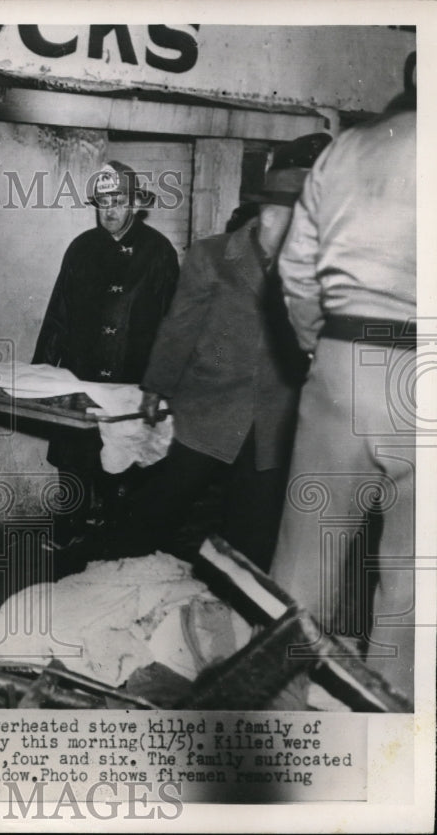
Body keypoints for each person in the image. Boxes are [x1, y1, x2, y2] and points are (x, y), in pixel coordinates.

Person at [124, 133, 332, 571]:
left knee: (252, 535)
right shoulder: (212, 255)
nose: (292, 229)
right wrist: (156, 386)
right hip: (207, 407)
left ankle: (233, 616)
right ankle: (117, 581)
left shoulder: (320, 268)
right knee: (157, 510)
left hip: (275, 422)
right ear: (263, 212)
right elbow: (180, 326)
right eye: (283, 215)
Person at [269, 101, 416, 702]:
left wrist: (319, 350)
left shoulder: (348, 148)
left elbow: (295, 270)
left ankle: (270, 720)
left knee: (304, 562)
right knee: (412, 581)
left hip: (342, 359)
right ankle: (389, 728)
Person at [32, 161, 179, 555]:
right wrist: (39, 376)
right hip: (82, 377)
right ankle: (69, 534)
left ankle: (120, 543)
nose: (110, 210)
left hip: (132, 380)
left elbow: (174, 323)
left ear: (135, 204)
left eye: (118, 202)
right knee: (76, 461)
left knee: (126, 464)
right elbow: (57, 315)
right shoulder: (81, 248)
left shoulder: (159, 253)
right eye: (103, 202)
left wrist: (165, 383)